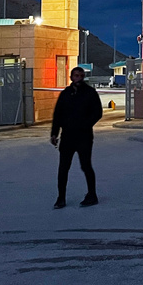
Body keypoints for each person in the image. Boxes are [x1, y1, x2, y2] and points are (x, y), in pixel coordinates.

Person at [50, 66, 103, 209]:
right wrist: (54, 133)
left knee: (86, 166)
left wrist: (85, 125)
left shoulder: (90, 93)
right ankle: (61, 198)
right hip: (67, 136)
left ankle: (92, 195)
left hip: (84, 137)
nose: (78, 78)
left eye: (80, 75)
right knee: (63, 168)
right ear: (71, 77)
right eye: (76, 75)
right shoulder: (65, 94)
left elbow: (97, 112)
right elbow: (58, 114)